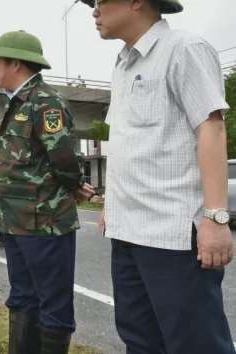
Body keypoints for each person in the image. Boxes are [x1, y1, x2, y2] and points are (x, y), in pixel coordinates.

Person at [79, 1, 235, 353]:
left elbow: (211, 129)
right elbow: (133, 143)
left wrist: (216, 218)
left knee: (196, 343)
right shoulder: (122, 64)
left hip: (173, 235)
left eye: (101, 1)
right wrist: (112, 207)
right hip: (128, 232)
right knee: (140, 339)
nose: (94, 10)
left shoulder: (183, 49)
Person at [0, 30, 94, 354]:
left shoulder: (44, 102)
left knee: (53, 303)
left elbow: (63, 157)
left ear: (15, 63)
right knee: (22, 297)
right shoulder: (19, 101)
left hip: (44, 221)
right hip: (14, 219)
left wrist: (75, 185)